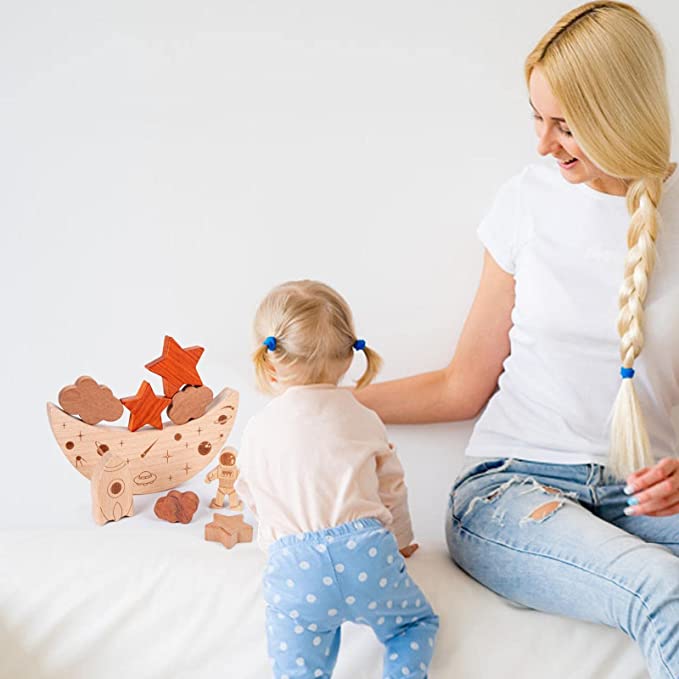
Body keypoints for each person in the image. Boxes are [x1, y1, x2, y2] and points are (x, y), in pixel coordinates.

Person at [354, 3, 679, 678]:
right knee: (662, 591)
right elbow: (460, 385)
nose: (542, 143)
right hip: (510, 491)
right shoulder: (524, 202)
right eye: (535, 117)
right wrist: (330, 402)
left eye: (565, 124)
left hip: (642, 493)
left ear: (621, 111)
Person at [235, 280, 439, 679]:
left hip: (295, 568)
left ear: (268, 358)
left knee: (299, 672)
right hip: (367, 554)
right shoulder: (364, 418)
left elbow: (254, 497)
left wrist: (272, 550)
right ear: (350, 358)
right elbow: (392, 488)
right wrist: (401, 542)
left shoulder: (257, 430)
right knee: (413, 626)